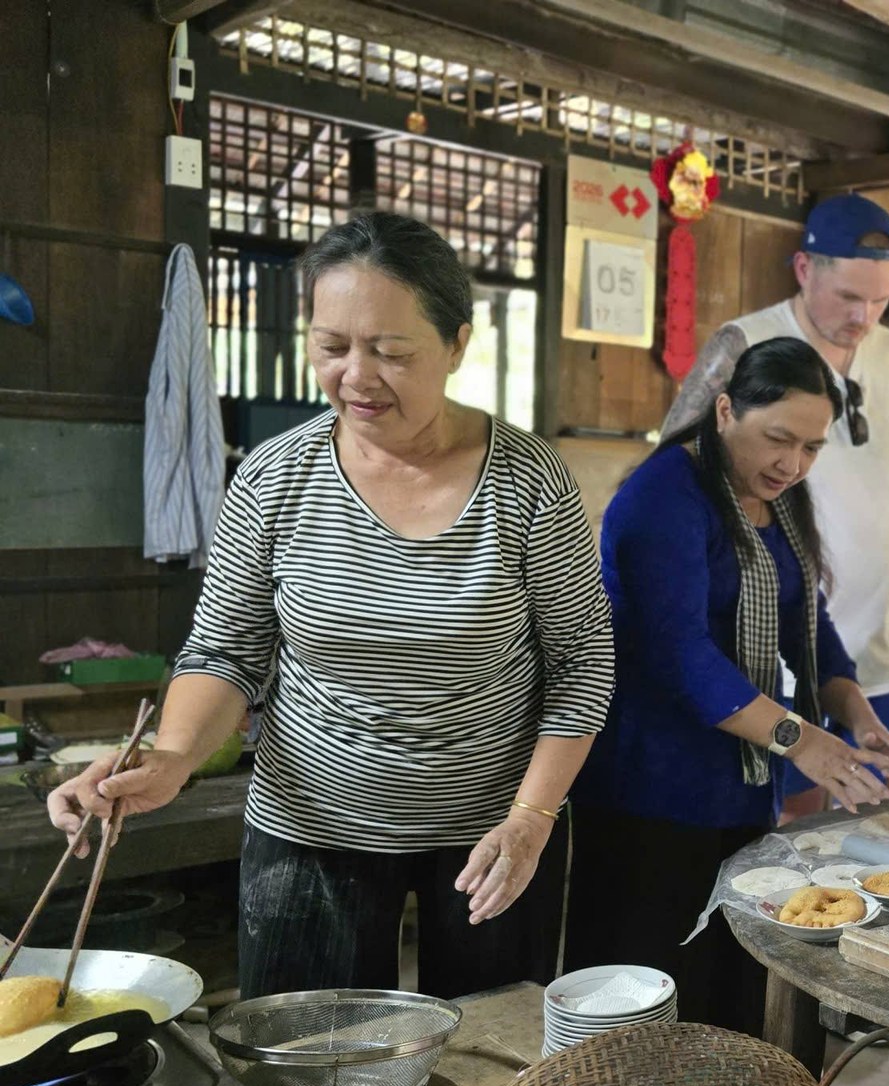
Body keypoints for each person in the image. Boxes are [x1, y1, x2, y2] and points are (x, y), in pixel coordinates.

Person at [46, 212, 615, 999]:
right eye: (332, 346)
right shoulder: (275, 478)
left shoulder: (529, 481)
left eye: (391, 351)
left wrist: (531, 817)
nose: (356, 376)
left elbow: (582, 660)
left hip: (494, 826)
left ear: (456, 344)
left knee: (493, 1056)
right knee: (304, 1057)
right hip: (310, 826)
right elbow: (226, 651)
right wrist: (171, 755)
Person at [566, 336, 889, 1034]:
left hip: (741, 782)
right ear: (726, 410)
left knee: (733, 983)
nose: (793, 464)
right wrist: (799, 738)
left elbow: (807, 623)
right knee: (651, 986)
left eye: (812, 447)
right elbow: (679, 655)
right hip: (650, 786)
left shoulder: (776, 498)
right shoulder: (664, 495)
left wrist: (858, 715)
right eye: (777, 439)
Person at [658, 195, 889, 797]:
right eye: (849, 297)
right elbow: (675, 470)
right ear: (805, 269)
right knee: (784, 829)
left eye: (880, 301)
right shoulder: (745, 342)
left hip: (876, 652)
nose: (864, 317)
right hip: (767, 660)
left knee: (886, 826)